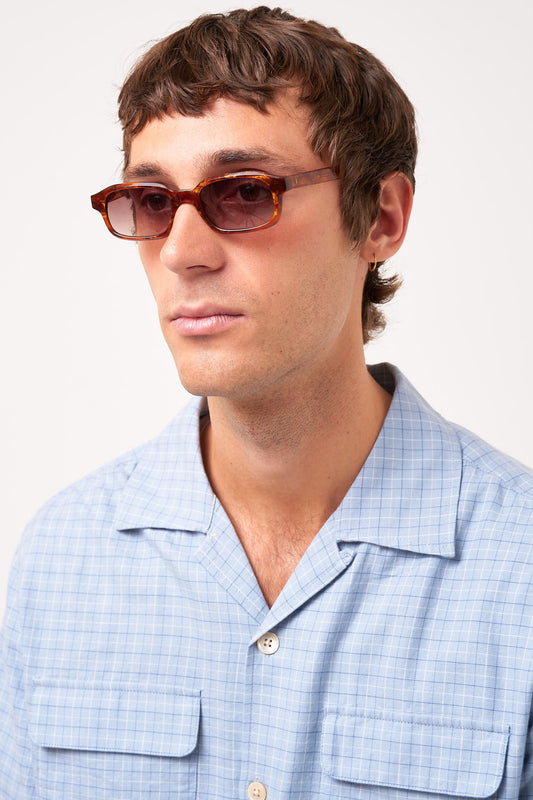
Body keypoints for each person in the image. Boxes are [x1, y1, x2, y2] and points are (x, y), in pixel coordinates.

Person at [1, 5, 532, 799]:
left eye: (245, 193)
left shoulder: (519, 569)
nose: (181, 252)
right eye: (152, 201)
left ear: (380, 217)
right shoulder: (60, 559)